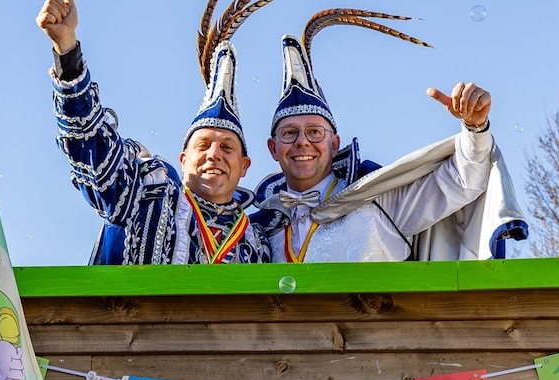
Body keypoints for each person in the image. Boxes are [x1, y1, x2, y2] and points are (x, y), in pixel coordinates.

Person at [252, 27, 524, 263]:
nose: (302, 142)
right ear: (272, 148)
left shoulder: (378, 203)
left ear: (335, 145)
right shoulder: (257, 229)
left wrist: (474, 128)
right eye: (289, 133)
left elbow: (463, 181)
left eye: (314, 132)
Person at [37, 0, 270, 265]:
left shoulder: (256, 242)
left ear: (244, 166)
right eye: (203, 145)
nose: (214, 154)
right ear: (183, 161)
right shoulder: (149, 193)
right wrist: (67, 50)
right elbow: (93, 148)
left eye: (227, 147)